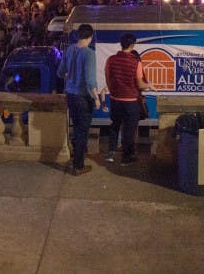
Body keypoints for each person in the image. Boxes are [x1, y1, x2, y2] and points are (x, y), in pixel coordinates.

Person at [57, 23, 99, 176]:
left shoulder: (69, 50)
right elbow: (90, 80)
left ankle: (77, 157)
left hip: (70, 95)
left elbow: (60, 72)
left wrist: (70, 76)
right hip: (82, 97)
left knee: (76, 129)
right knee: (82, 131)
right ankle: (78, 165)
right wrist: (96, 98)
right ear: (90, 37)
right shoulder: (89, 53)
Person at [104, 33, 150, 165]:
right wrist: (150, 85)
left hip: (115, 99)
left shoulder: (111, 59)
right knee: (129, 130)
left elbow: (107, 78)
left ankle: (111, 154)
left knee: (115, 126)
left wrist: (113, 91)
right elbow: (140, 84)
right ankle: (126, 158)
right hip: (131, 102)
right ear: (132, 45)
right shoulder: (136, 62)